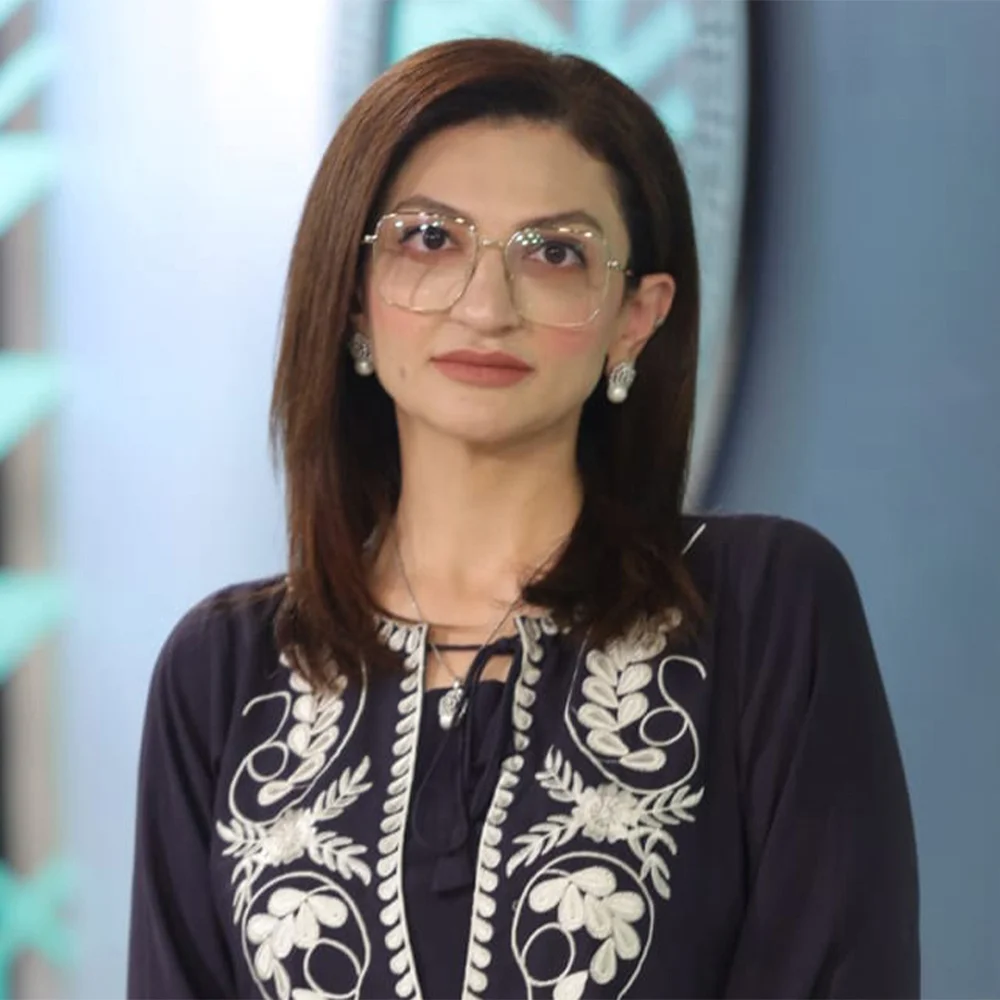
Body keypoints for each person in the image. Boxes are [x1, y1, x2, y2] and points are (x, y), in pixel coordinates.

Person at [127, 37, 919, 1000]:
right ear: (354, 299)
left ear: (636, 316)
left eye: (554, 254)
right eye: (430, 240)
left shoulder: (763, 609)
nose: (485, 306)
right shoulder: (224, 673)